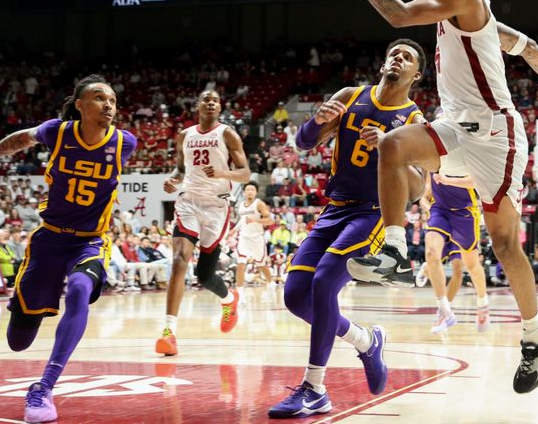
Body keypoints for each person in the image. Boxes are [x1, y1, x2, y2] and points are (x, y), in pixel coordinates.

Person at [316, 0, 538, 393]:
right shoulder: (470, 14)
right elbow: (529, 47)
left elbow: (398, 14)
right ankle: (397, 250)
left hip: (495, 137)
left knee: (504, 244)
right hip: (458, 127)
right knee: (393, 146)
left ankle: (534, 336)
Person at [0, 74, 137, 423]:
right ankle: (30, 312)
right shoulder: (58, 132)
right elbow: (18, 140)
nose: (108, 105)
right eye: (99, 98)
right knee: (17, 341)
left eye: (112, 100)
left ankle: (44, 387)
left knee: (81, 290)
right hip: (48, 241)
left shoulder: (124, 142)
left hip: (90, 241)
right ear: (79, 105)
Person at [268, 39, 425, 418]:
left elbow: (418, 190)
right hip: (334, 209)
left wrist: (391, 149)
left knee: (324, 283)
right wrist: (317, 121)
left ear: (416, 75)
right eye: (393, 53)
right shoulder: (352, 95)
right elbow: (304, 143)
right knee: (295, 297)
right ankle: (366, 341)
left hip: (372, 214)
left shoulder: (415, 121)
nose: (397, 58)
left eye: (407, 57)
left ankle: (314, 388)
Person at [155, 90, 250, 357]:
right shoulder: (184, 135)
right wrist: (173, 179)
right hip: (188, 200)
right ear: (197, 106)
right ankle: (168, 332)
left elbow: (245, 173)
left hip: (216, 205)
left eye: (215, 100)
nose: (210, 103)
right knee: (178, 260)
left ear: (220, 107)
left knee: (204, 276)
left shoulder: (227, 134)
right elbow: (180, 169)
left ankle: (230, 299)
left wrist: (222, 172)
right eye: (205, 99)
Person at [416, 156, 490, 334]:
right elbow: (425, 193)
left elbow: (476, 181)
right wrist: (427, 207)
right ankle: (444, 311)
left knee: (471, 265)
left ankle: (483, 304)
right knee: (432, 253)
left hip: (465, 212)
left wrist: (447, 180)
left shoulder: (467, 151)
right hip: (439, 210)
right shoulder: (432, 156)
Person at [227, 182, 274, 302]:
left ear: (256, 192)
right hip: (244, 238)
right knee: (241, 263)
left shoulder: (259, 204)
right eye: (248, 189)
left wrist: (255, 220)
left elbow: (270, 220)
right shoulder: (241, 205)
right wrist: (234, 230)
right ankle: (240, 293)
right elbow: (242, 221)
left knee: (261, 265)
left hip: (257, 238)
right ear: (244, 192)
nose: (250, 191)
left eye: (252, 189)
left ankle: (270, 282)